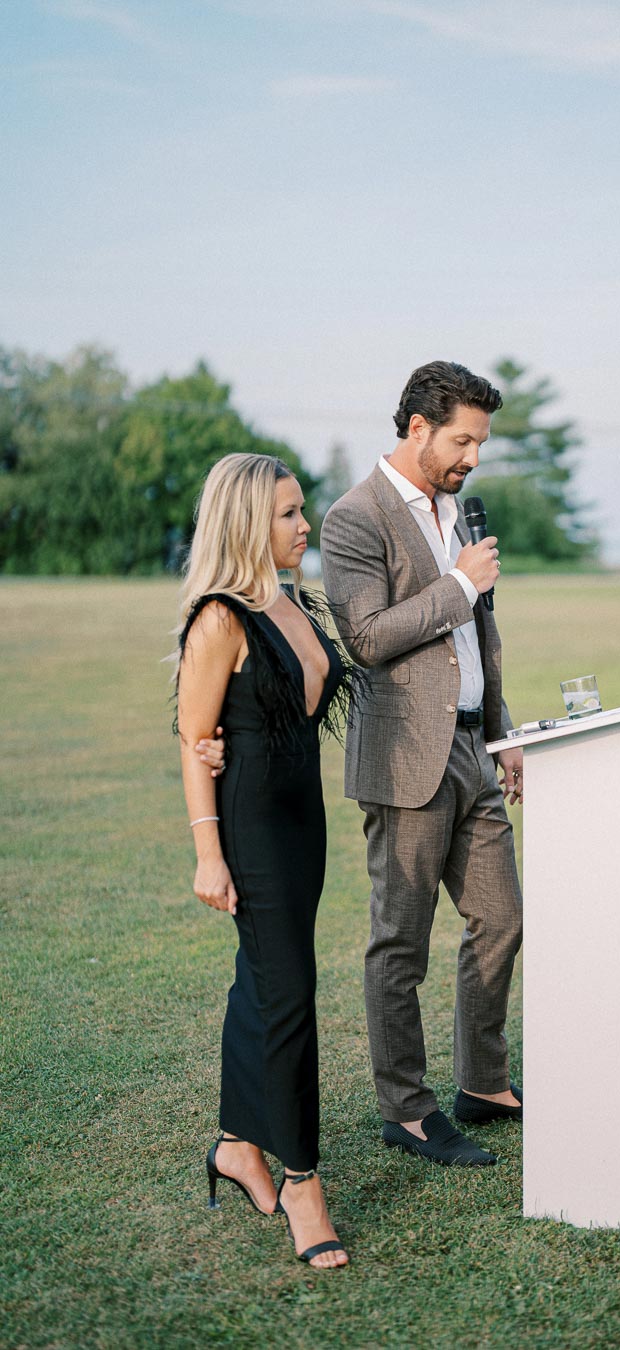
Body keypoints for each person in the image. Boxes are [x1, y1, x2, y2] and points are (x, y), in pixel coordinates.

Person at [318, 360, 524, 1167]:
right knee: (400, 943)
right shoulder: (353, 518)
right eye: (463, 439)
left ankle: (483, 1081)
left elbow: (479, 637)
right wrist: (457, 583)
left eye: (480, 441)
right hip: (407, 760)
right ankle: (405, 1110)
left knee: (502, 920)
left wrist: (502, 732)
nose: (474, 456)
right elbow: (367, 638)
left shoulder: (459, 512)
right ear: (416, 429)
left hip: (474, 746)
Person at [175, 451, 354, 1270]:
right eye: (288, 513)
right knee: (290, 998)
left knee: (263, 981)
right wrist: (210, 855)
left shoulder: (290, 604)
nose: (303, 525)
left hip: (302, 825)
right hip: (251, 830)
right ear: (249, 521)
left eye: (301, 510)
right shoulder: (219, 619)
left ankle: (235, 1146)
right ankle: (302, 1184)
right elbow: (194, 740)